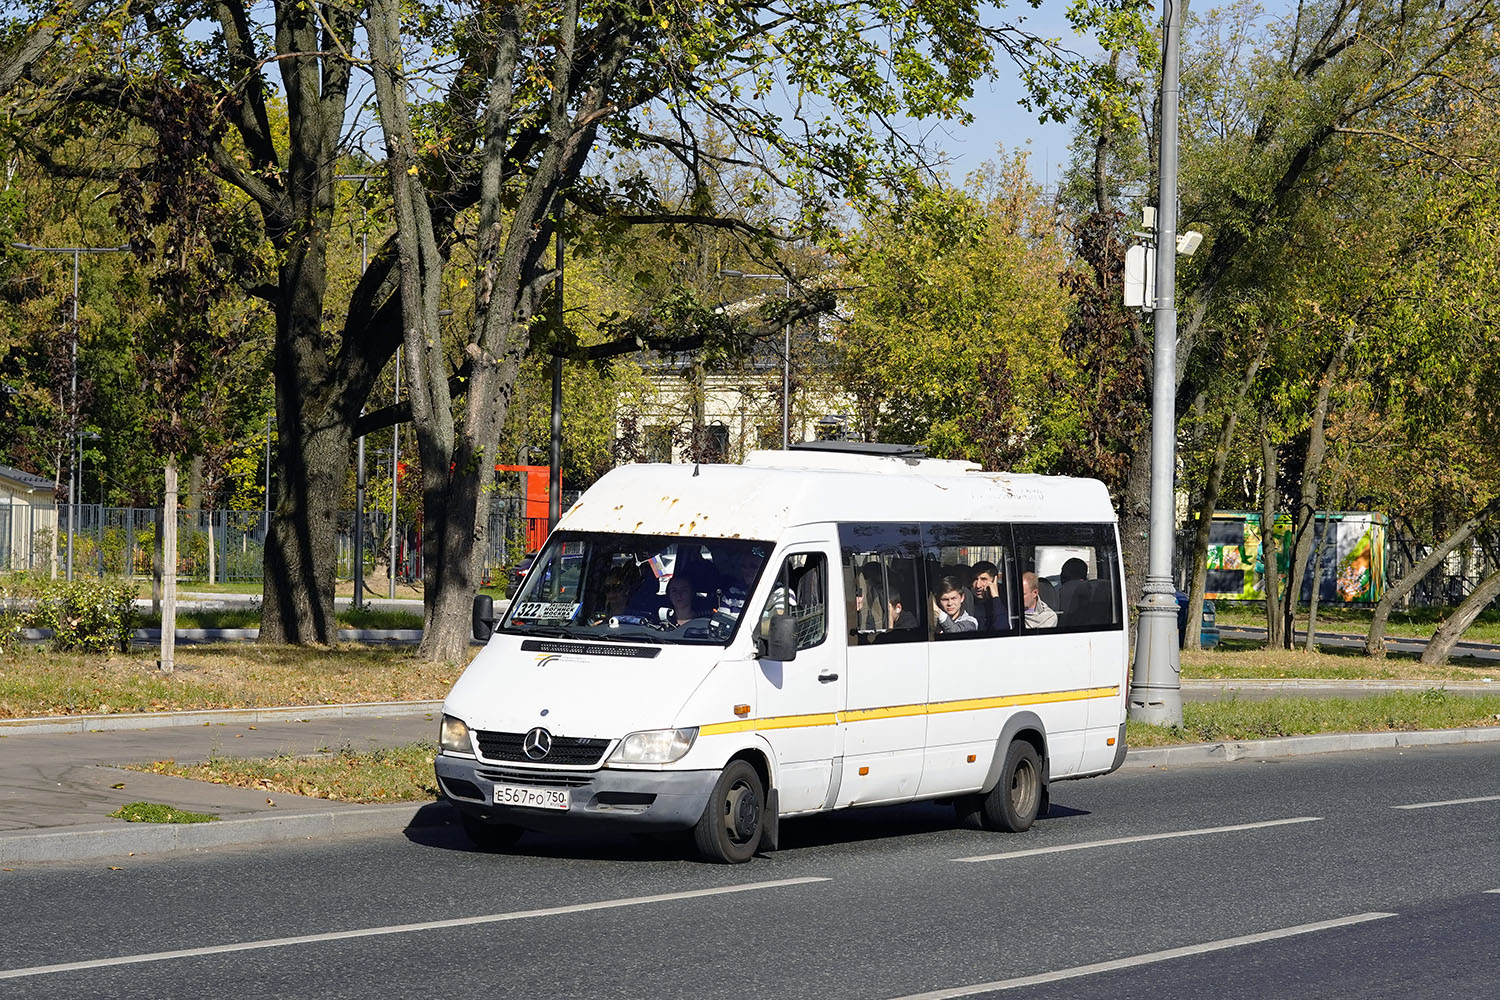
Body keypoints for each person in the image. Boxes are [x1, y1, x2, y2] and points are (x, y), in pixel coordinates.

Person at [970, 560, 1004, 632]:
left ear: (994, 581)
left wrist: (995, 597)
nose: (978, 585)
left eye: (983, 579)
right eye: (975, 579)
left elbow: (1002, 629)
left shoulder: (1004, 602)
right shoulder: (968, 603)